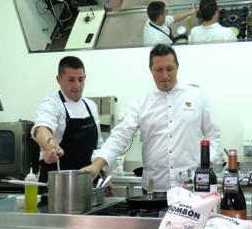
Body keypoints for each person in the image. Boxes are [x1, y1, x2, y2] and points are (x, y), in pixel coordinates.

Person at [84, 44, 221, 192]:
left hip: (193, 187)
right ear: (151, 70)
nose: (165, 75)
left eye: (169, 69)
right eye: (159, 70)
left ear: (177, 67)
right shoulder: (141, 102)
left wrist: (205, 165)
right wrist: (97, 165)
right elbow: (120, 136)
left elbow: (213, 134)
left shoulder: (197, 95)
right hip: (154, 190)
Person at [32, 56, 104, 184]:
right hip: (56, 184)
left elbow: (98, 146)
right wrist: (50, 147)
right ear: (59, 80)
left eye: (81, 80)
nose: (77, 85)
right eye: (71, 80)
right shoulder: (51, 103)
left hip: (86, 183)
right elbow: (42, 129)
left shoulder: (91, 106)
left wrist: (104, 175)